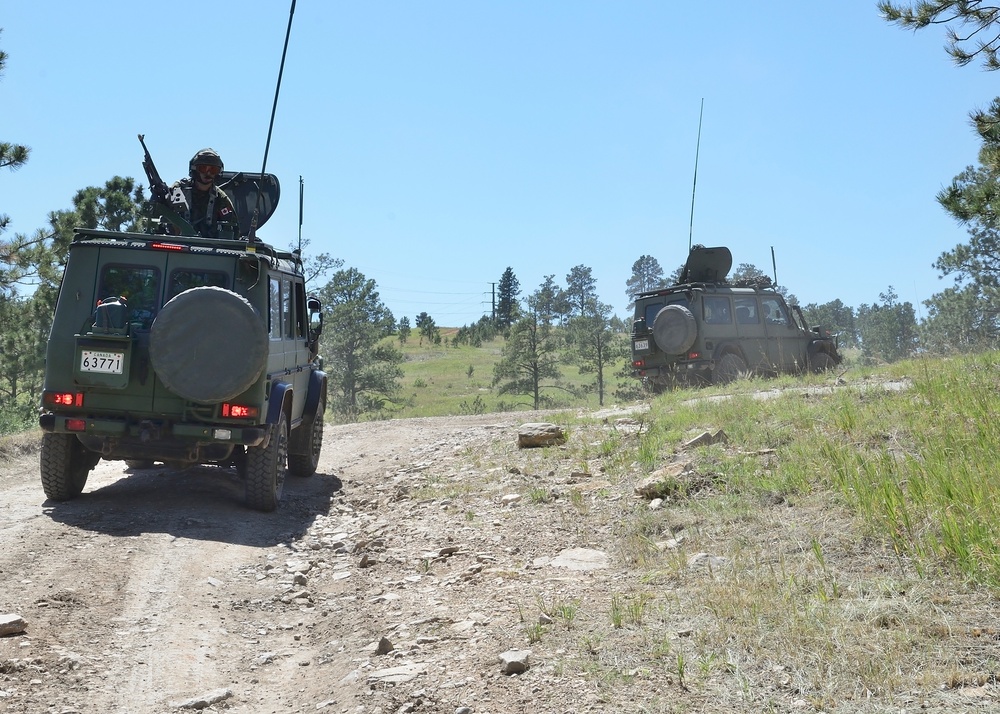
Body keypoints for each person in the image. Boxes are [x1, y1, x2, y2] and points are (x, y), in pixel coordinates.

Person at [164, 148, 240, 239]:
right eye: (203, 168)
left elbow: (233, 229)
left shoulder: (220, 198)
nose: (208, 173)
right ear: (195, 169)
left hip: (210, 248)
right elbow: (161, 214)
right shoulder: (178, 190)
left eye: (213, 170)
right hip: (177, 243)